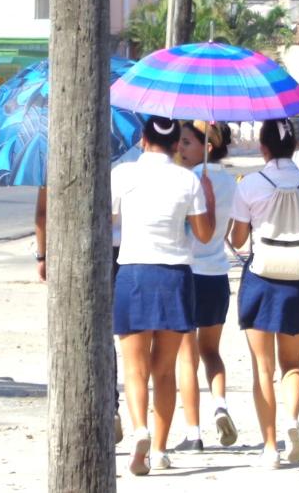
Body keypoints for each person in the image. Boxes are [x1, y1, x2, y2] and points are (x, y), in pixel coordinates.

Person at [111, 116, 215, 475]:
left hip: (134, 272)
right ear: (175, 145)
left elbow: (107, 220)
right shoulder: (188, 179)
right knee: (165, 370)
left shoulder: (123, 174)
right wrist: (208, 198)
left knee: (135, 367)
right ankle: (158, 449)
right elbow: (204, 235)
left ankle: (140, 429)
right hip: (174, 275)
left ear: (144, 139)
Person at [230, 118, 299, 469]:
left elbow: (239, 240)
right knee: (293, 365)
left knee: (263, 367)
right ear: (295, 146)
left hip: (261, 278)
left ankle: (270, 447)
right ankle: (292, 420)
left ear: (263, 147)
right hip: (297, 277)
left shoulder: (250, 184)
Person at [34, 186, 124, 444]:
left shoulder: (49, 166)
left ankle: (86, 407)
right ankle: (112, 406)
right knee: (111, 331)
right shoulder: (128, 165)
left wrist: (42, 255)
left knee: (81, 329)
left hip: (71, 248)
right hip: (123, 249)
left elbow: (42, 214)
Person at [175, 121, 238, 453]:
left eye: (187, 142)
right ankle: (220, 405)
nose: (180, 147)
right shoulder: (231, 183)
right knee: (211, 352)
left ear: (207, 147)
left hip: (188, 273)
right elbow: (230, 231)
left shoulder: (188, 181)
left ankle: (193, 432)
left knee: (187, 357)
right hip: (216, 275)